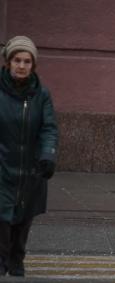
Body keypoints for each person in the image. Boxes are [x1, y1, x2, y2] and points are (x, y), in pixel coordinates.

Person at [0, 36, 59, 276]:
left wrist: (48, 155)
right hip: (3, 166)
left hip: (31, 169)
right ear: (8, 62)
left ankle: (17, 259)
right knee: (2, 217)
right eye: (17, 60)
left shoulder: (41, 95)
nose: (21, 65)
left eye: (26, 61)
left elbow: (49, 128)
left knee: (23, 217)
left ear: (32, 65)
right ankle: (2, 260)